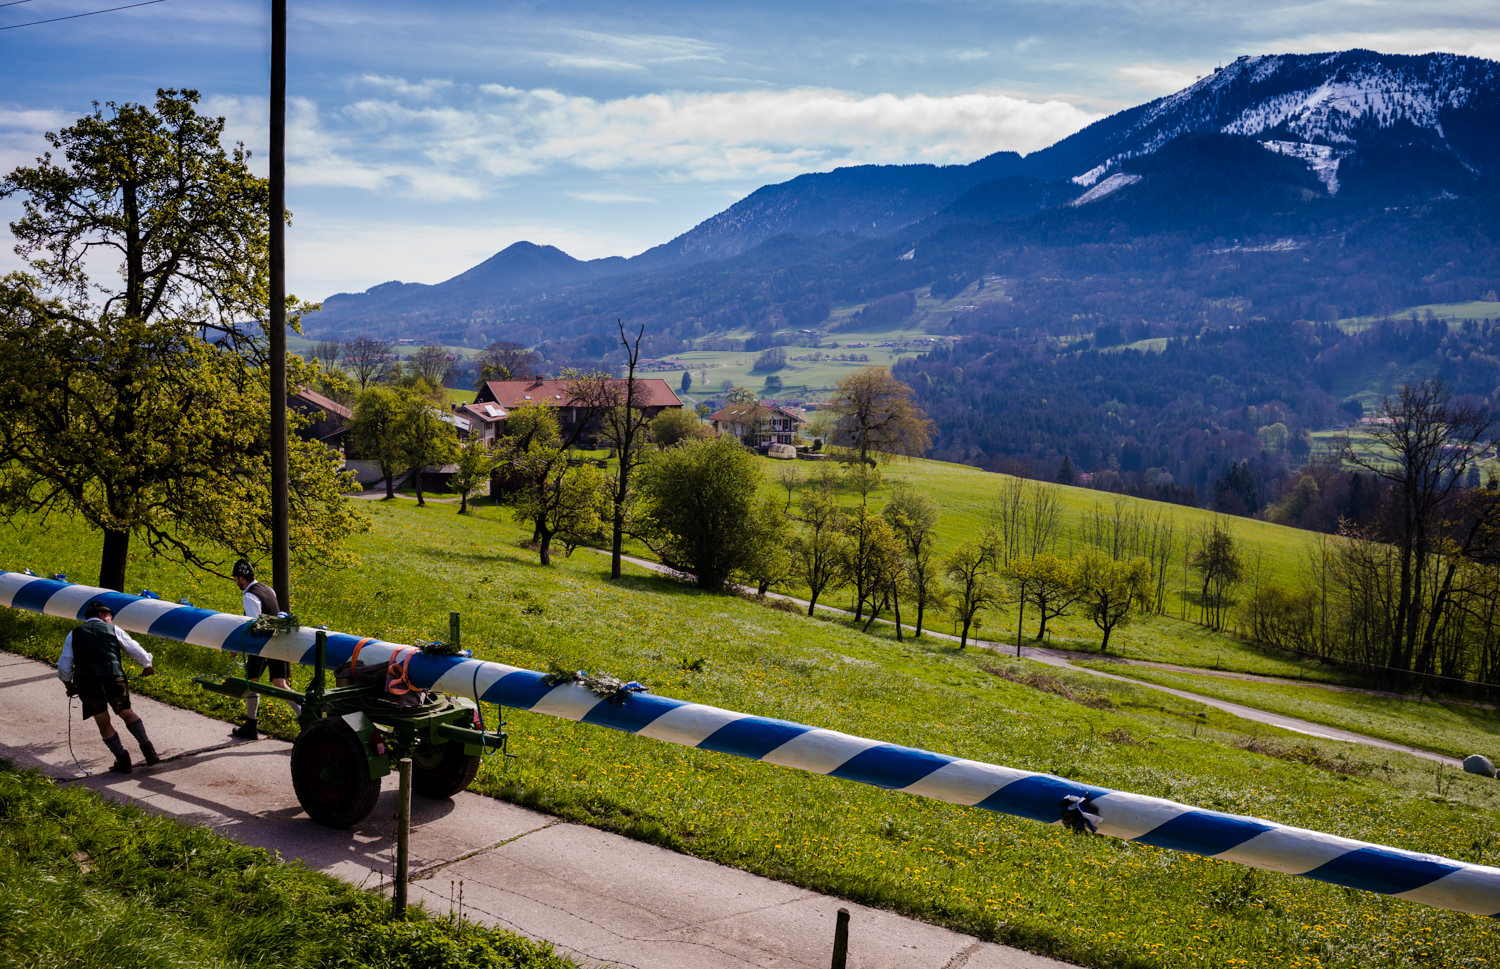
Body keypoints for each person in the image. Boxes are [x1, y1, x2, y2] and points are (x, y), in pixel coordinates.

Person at [58, 600, 160, 773]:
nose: (111, 620)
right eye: (110, 617)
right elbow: (134, 648)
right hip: (114, 678)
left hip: (87, 683)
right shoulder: (113, 629)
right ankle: (149, 751)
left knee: (103, 722)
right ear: (102, 616)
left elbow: (64, 664)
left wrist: (68, 685)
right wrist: (147, 665)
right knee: (126, 712)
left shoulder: (74, 634)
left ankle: (123, 760)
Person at [230, 559, 300, 739]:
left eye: (236, 579)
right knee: (281, 684)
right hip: (278, 640)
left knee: (251, 682)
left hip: (262, 643)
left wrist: (237, 646)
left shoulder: (249, 596)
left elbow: (255, 626)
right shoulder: (267, 588)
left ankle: (251, 726)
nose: (236, 582)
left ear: (242, 579)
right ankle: (306, 719)